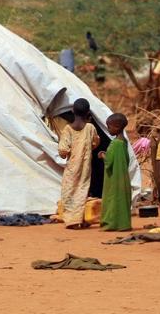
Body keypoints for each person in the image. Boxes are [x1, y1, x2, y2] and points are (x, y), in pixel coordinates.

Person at [58, 98, 100, 229]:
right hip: (85, 166)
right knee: (82, 191)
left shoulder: (67, 129)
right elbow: (95, 142)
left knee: (69, 191)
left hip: (72, 167)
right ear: (88, 112)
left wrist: (66, 153)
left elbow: (63, 150)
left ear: (72, 111)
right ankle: (80, 218)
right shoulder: (90, 128)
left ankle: (72, 220)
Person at [99, 113, 132, 231]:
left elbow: (109, 161)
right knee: (122, 200)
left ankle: (111, 223)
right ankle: (124, 224)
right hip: (123, 176)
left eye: (109, 127)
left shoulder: (115, 143)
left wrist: (103, 155)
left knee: (112, 200)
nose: (108, 129)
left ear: (117, 127)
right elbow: (126, 159)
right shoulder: (124, 142)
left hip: (113, 178)